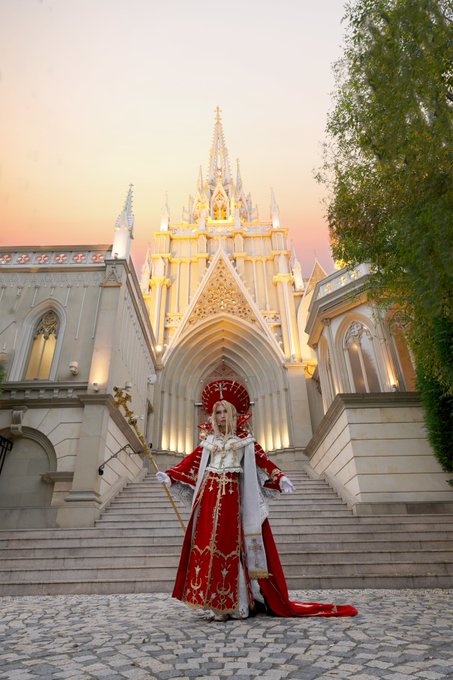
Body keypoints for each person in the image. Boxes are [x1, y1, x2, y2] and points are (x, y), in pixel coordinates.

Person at [156, 389, 357, 620]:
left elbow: (263, 461)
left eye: (225, 412)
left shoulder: (245, 441)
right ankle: (214, 604)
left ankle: (236, 603)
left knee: (229, 548)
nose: (221, 416)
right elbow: (191, 463)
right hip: (209, 500)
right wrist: (171, 475)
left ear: (233, 415)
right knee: (208, 548)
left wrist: (280, 477)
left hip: (233, 502)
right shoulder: (208, 442)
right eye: (217, 412)